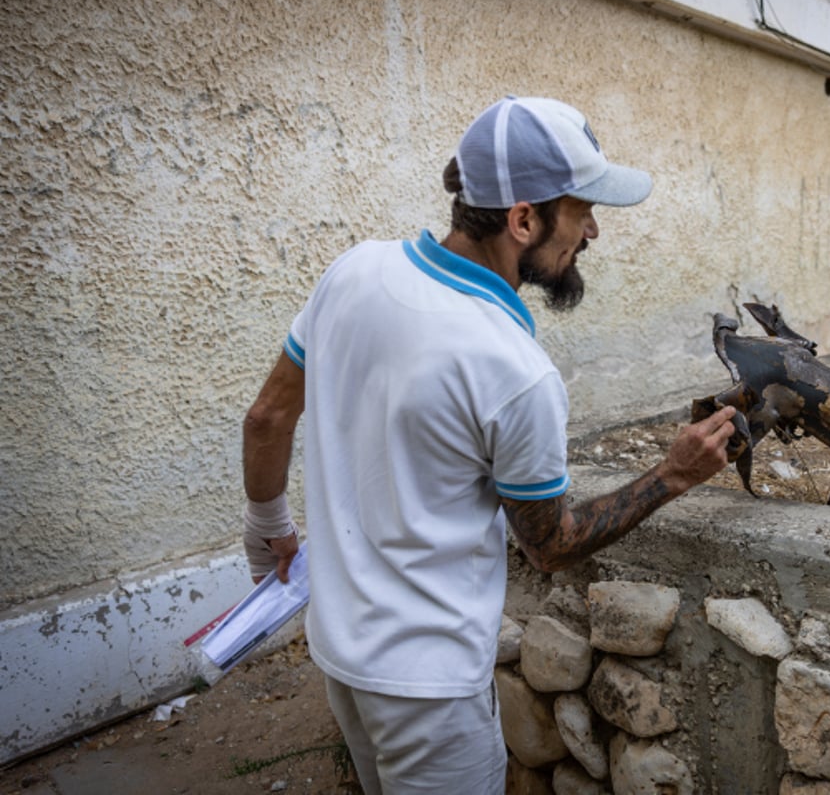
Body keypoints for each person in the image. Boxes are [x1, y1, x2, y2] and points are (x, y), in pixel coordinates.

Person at [239, 95, 736, 793]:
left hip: (339, 656)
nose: (593, 231)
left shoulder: (353, 272)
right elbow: (550, 544)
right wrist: (674, 475)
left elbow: (266, 417)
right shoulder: (513, 369)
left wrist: (269, 533)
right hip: (430, 692)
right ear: (523, 218)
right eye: (582, 210)